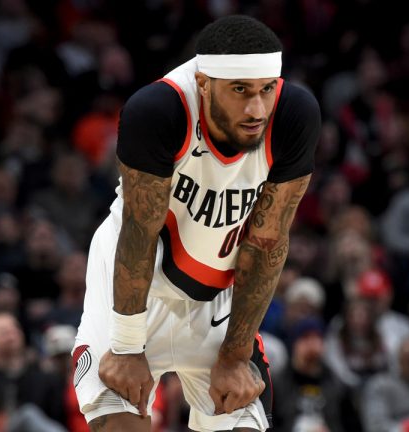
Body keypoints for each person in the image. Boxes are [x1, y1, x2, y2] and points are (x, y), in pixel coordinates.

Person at [73, 15, 320, 432]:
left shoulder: (294, 115)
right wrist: (127, 344)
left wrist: (236, 356)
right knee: (119, 424)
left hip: (217, 292)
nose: (256, 108)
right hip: (135, 283)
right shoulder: (159, 109)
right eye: (240, 91)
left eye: (265, 90)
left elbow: (267, 242)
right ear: (204, 84)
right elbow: (139, 230)